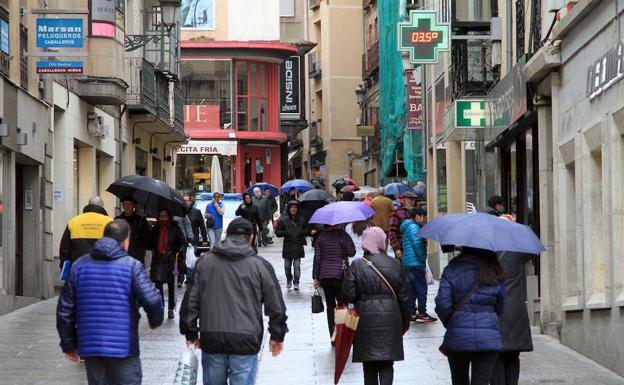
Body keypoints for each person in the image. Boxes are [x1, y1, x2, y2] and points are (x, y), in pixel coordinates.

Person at [179, 218, 288, 385]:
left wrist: (190, 332)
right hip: (246, 340)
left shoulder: (204, 263)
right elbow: (275, 305)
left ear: (226, 236)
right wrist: (277, 334)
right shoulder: (260, 266)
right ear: (251, 238)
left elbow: (191, 300)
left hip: (212, 338)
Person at [57, 220, 163, 385]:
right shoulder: (132, 266)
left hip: (90, 346)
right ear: (125, 242)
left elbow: (65, 309)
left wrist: (69, 344)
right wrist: (155, 321)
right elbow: (152, 299)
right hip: (123, 346)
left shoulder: (79, 266)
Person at [340, 227, 411, 385]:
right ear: (381, 241)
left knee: (369, 365)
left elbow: (347, 295)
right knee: (387, 364)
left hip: (365, 321)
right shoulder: (395, 264)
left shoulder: (357, 266)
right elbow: (404, 298)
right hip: (391, 320)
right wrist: (405, 322)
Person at [435, 247, 506, 385]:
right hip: (487, 337)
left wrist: (451, 322)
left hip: (458, 337)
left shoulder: (452, 269)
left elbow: (442, 304)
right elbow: (501, 305)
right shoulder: (495, 270)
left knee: (459, 381)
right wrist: (488, 319)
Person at [490, 215, 535, 385]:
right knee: (513, 354)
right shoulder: (519, 249)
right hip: (515, 307)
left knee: (496, 355)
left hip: (493, 306)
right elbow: (533, 251)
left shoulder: (488, 250)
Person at [313, 224, 356, 341]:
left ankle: (333, 336)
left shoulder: (321, 237)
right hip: (340, 275)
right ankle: (345, 335)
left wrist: (315, 277)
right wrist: (342, 250)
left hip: (325, 276)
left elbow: (317, 258)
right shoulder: (343, 235)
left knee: (330, 306)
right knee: (343, 305)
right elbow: (352, 252)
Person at [400, 208, 437, 323]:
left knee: (411, 289)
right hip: (416, 263)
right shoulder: (414, 227)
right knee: (421, 288)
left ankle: (411, 312)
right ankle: (422, 313)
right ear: (417, 217)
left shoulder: (407, 227)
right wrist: (423, 258)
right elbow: (417, 245)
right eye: (424, 218)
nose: (425, 220)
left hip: (408, 263)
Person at [149, 208, 186, 320]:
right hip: (158, 260)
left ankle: (170, 308)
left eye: (165, 216)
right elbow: (149, 242)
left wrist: (179, 253)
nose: (163, 218)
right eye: (161, 216)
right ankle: (160, 307)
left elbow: (183, 242)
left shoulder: (175, 228)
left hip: (170, 260)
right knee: (158, 285)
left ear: (169, 217)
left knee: (171, 286)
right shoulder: (155, 229)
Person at [59, 197, 113, 269]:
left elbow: (64, 248)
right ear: (102, 206)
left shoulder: (74, 221)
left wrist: (64, 266)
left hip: (78, 268)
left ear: (89, 205)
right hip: (102, 268)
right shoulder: (110, 222)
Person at [274, 200, 307, 290]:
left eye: (295, 207)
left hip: (298, 245)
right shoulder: (283, 220)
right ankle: (289, 279)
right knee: (287, 267)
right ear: (289, 209)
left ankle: (296, 281)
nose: (294, 209)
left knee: (297, 266)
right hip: (288, 245)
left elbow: (306, 230)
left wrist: (300, 232)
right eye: (292, 207)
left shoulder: (301, 220)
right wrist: (286, 232)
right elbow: (277, 233)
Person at [114, 196, 150, 265]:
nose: (127, 206)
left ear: (133, 206)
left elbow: (147, 240)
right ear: (122, 205)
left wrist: (140, 234)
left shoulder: (141, 221)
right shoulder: (117, 220)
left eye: (129, 204)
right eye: (125, 204)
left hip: (136, 256)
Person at [388, 191, 417, 260]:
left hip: (415, 247)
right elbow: (392, 233)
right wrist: (397, 249)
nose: (413, 202)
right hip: (402, 248)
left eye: (414, 200)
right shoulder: (396, 213)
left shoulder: (416, 212)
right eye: (410, 200)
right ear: (403, 200)